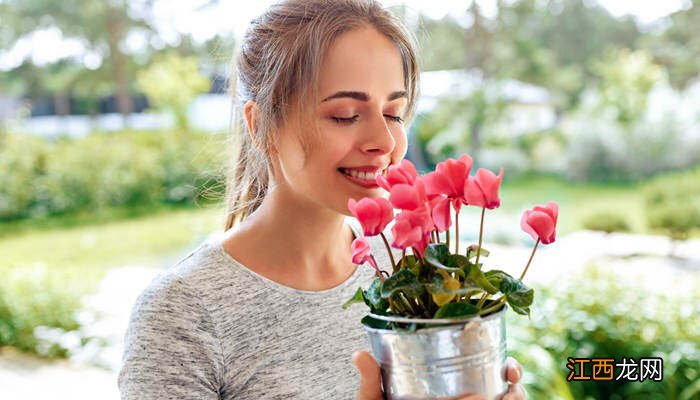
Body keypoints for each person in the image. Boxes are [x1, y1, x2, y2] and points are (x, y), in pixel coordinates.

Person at [118, 1, 526, 399]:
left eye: (394, 113)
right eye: (345, 114)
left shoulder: (406, 274)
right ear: (261, 126)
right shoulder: (183, 313)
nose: (384, 142)